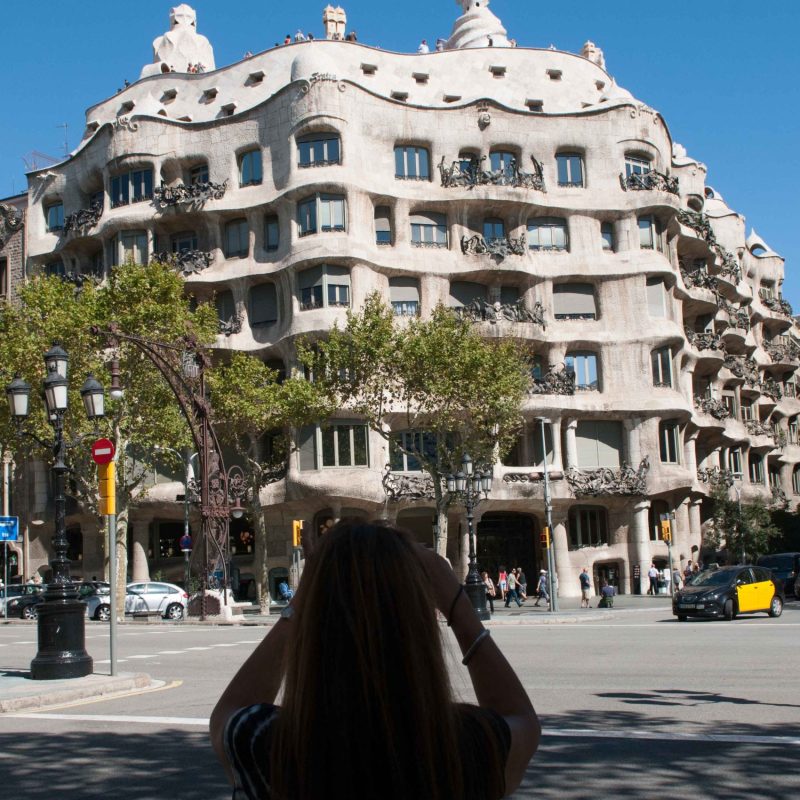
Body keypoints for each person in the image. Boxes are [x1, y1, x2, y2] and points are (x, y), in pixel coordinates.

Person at [211, 521, 540, 800]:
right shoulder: (466, 747)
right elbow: (521, 718)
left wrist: (304, 597)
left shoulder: (266, 744)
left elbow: (227, 714)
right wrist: (457, 605)